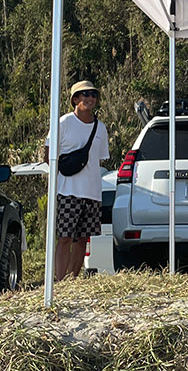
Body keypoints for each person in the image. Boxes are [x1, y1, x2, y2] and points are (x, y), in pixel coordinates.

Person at [44, 80, 110, 281]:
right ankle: (59, 280)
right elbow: (49, 154)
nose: (90, 98)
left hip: (92, 192)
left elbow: (99, 158)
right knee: (64, 237)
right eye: (85, 94)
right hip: (68, 190)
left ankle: (73, 279)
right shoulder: (64, 123)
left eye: (93, 94)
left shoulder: (100, 128)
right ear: (75, 99)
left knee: (83, 239)